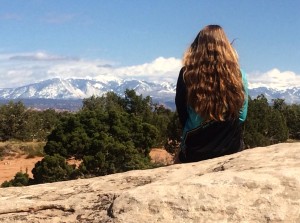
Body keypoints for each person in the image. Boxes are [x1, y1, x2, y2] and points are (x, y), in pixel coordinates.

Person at [175, 25, 248, 163]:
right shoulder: (239, 75)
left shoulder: (186, 74)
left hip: (195, 151)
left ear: (196, 47)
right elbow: (242, 117)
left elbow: (183, 116)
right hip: (231, 148)